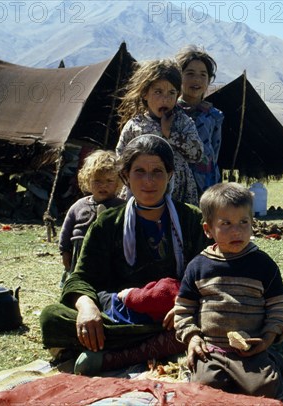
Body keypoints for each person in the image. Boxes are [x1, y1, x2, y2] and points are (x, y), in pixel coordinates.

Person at [40, 135, 210, 376]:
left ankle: (115, 356)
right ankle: (165, 345)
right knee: (52, 318)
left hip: (175, 314)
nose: (148, 181)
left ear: (170, 175)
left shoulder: (191, 219)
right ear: (125, 176)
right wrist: (88, 307)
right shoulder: (108, 223)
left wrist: (187, 305)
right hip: (118, 317)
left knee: (215, 314)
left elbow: (213, 274)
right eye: (139, 171)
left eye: (157, 172)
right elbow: (81, 278)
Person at [174, 182, 283, 399]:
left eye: (243, 222)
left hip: (251, 349)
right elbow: (183, 309)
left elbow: (278, 305)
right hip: (211, 350)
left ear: (252, 224)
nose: (236, 230)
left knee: (265, 390)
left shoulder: (262, 264)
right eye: (226, 223)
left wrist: (267, 337)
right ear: (208, 230)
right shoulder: (198, 266)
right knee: (205, 390)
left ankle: (273, 360)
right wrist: (192, 337)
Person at [116, 59, 204, 205]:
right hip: (142, 188)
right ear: (145, 94)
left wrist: (171, 134)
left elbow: (197, 154)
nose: (165, 99)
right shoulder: (135, 125)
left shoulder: (183, 122)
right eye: (158, 92)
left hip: (178, 191)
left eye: (171, 93)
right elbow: (120, 158)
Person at [58, 150, 125, 287]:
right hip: (80, 250)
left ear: (118, 183)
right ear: (87, 181)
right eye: (97, 181)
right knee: (80, 280)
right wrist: (65, 251)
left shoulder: (121, 207)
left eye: (109, 181)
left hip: (108, 252)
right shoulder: (79, 206)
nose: (103, 185)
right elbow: (66, 229)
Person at [176, 45, 224, 196]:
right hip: (176, 181)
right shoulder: (170, 112)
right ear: (178, 77)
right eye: (189, 73)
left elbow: (214, 153)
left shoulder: (214, 116)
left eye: (203, 75)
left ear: (209, 80)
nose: (196, 79)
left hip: (207, 182)